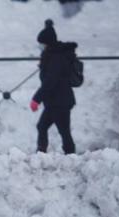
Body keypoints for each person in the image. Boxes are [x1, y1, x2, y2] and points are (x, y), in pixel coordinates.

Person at [30, 19, 77, 154]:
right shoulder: (51, 55)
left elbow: (50, 81)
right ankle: (41, 152)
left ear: (47, 44)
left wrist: (36, 99)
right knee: (42, 126)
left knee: (64, 131)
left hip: (60, 101)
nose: (40, 46)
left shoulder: (56, 57)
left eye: (42, 44)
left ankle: (70, 155)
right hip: (54, 101)